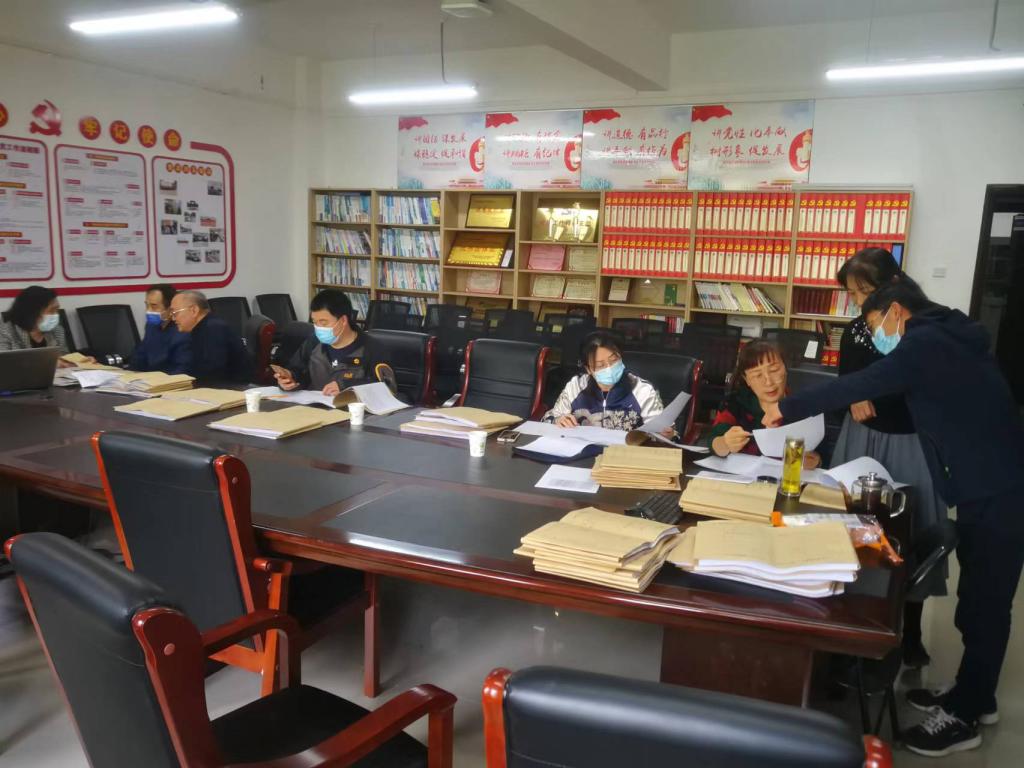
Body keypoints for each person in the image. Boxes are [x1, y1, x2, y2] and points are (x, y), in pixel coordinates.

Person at [762, 277, 1024, 758]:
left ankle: (965, 716)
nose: (876, 337)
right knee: (978, 598)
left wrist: (786, 407)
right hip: (989, 480)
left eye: (874, 324)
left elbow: (861, 383)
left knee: (985, 603)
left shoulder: (924, 343)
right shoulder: (949, 331)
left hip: (999, 486)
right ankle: (977, 694)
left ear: (897, 312)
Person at [834, 248, 948, 668]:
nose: (859, 301)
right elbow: (845, 382)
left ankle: (911, 633)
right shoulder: (854, 332)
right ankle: (855, 625)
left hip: (910, 442)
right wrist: (852, 397)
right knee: (858, 533)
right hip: (863, 442)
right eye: (852, 293)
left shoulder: (923, 330)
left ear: (893, 285)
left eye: (865, 291)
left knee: (915, 534)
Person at [705, 340, 820, 468]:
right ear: (746, 379)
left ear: (785, 368)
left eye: (774, 370)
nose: (768, 382)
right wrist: (725, 443)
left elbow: (821, 456)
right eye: (757, 375)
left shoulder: (803, 405)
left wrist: (813, 461)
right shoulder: (736, 403)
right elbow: (713, 442)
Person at [543, 330, 670, 434]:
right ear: (588, 369)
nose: (609, 368)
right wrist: (558, 420)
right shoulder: (576, 386)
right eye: (600, 365)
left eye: (613, 360)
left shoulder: (642, 390)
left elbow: (664, 434)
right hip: (581, 452)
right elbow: (547, 419)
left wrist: (666, 435)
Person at [274, 289, 380, 396]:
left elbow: (382, 387)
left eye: (324, 323)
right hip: (313, 404)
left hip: (350, 405)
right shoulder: (314, 342)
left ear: (343, 320)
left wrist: (345, 386)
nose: (318, 328)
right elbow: (297, 371)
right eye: (315, 322)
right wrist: (289, 379)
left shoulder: (372, 348)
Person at [0, 286, 93, 366]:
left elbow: (63, 357)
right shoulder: (6, 332)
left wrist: (79, 361)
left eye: (57, 310)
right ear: (32, 312)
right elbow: (4, 365)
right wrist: (48, 364)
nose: (56, 314)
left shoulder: (57, 330)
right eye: (52, 310)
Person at [169, 290, 247, 382]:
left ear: (194, 310)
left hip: (232, 387)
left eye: (175, 313)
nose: (173, 318)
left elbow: (212, 373)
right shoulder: (201, 327)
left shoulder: (213, 329)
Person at [128, 284, 190, 375]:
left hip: (168, 380)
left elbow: (181, 370)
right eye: (147, 305)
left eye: (154, 306)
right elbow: (139, 356)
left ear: (170, 309)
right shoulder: (151, 326)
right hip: (148, 379)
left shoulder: (183, 331)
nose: (148, 310)